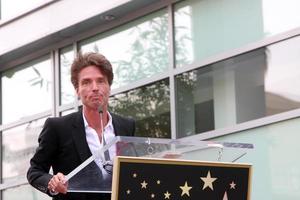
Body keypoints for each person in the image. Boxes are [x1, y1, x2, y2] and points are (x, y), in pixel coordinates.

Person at [27, 52, 135, 200]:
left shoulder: (127, 126)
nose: (95, 87)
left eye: (101, 81)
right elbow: (35, 171)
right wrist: (52, 183)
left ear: (109, 86)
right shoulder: (57, 127)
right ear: (77, 90)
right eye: (86, 82)